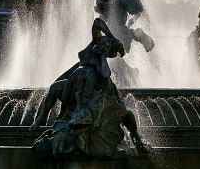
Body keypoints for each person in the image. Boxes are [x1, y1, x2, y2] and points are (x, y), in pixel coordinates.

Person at [30, 18, 145, 152]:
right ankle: (42, 116)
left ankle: (135, 134)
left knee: (125, 113)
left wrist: (102, 54)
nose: (104, 43)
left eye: (108, 46)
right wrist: (112, 38)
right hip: (78, 77)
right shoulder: (95, 41)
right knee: (54, 87)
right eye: (105, 42)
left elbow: (105, 74)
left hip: (95, 84)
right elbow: (97, 22)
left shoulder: (101, 60)